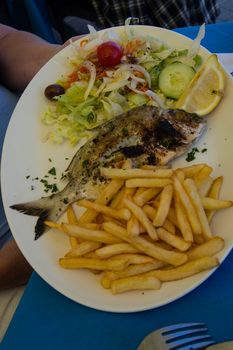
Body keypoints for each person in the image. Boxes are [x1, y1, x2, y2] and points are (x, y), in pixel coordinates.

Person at [0, 23, 67, 340]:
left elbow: (6, 43)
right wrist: (18, 258)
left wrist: (58, 62)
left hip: (62, 166)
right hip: (12, 278)